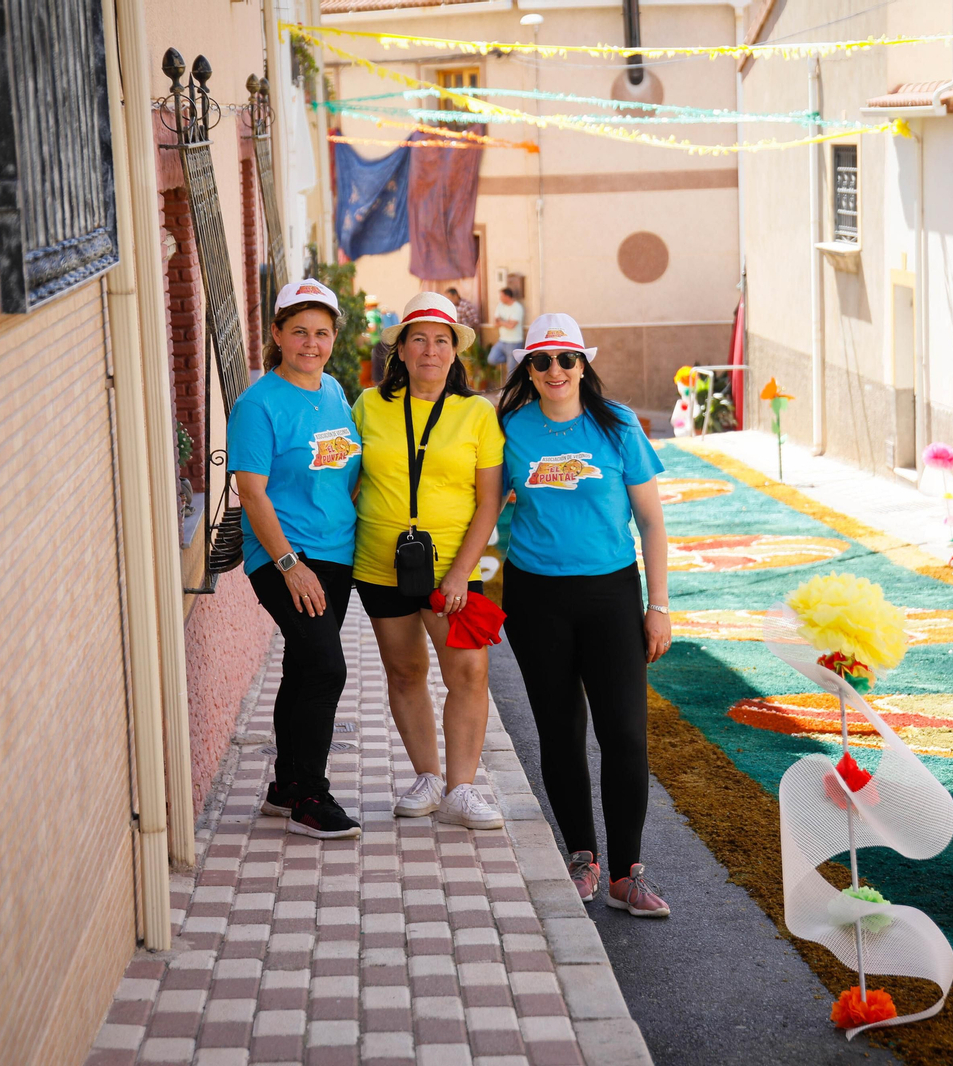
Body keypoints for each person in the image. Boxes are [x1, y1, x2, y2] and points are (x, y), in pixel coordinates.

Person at [496, 313, 674, 917]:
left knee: (624, 733)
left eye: (566, 359)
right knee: (560, 731)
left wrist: (658, 606)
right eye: (542, 360)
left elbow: (651, 523)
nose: (555, 370)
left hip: (610, 595)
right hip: (535, 598)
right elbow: (482, 505)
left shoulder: (617, 425)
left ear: (582, 365)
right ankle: (581, 857)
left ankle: (627, 873)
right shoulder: (510, 429)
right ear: (528, 369)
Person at [352, 292, 506, 830]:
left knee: (468, 671)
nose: (430, 350)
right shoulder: (368, 405)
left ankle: (462, 789)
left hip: (452, 572)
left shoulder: (477, 413)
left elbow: (489, 501)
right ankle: (427, 777)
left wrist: (462, 572)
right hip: (380, 565)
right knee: (404, 671)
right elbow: (345, 481)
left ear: (454, 351)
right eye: (418, 339)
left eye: (442, 340)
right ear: (400, 350)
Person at [229, 279, 364, 839]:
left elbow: (348, 472)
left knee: (305, 667)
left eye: (322, 333)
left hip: (336, 553)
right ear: (278, 334)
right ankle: (311, 796)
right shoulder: (258, 404)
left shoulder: (333, 390)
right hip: (284, 556)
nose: (312, 343)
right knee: (327, 668)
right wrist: (289, 563)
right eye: (300, 331)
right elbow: (251, 491)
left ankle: (285, 787)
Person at [486, 287, 524, 368]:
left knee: (511, 370)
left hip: (514, 342)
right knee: (492, 359)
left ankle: (512, 360)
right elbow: (495, 322)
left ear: (507, 297)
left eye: (501, 296)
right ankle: (511, 359)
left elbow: (511, 326)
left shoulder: (517, 307)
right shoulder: (500, 305)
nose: (500, 298)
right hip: (502, 340)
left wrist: (501, 321)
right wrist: (506, 322)